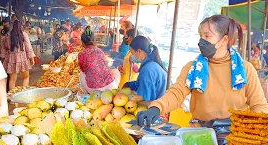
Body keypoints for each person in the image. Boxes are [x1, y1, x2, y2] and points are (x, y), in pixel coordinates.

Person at [137, 15, 268, 128]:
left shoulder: (245, 69)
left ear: (225, 40)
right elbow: (177, 93)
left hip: (235, 137)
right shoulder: (193, 68)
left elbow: (259, 106)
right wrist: (157, 107)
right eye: (201, 35)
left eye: (207, 36)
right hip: (199, 132)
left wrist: (258, 133)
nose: (201, 40)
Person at [123, 36, 167, 101]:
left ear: (138, 51)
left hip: (156, 108)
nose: (131, 56)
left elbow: (142, 99)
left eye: (132, 53)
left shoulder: (147, 70)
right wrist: (129, 85)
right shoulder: (152, 64)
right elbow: (143, 83)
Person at [78, 27, 121, 94]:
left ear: (82, 42)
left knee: (81, 73)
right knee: (115, 71)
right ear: (93, 40)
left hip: (93, 90)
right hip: (110, 86)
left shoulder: (81, 54)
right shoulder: (100, 50)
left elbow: (83, 70)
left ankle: (85, 92)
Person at [0, 20, 35, 90]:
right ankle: (24, 95)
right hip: (23, 59)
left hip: (11, 59)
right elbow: (28, 46)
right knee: (26, 77)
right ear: (21, 26)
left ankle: (12, 99)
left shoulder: (7, 35)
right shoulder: (24, 34)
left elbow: (3, 48)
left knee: (12, 80)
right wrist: (32, 58)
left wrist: (3, 59)